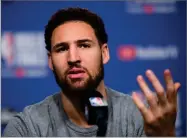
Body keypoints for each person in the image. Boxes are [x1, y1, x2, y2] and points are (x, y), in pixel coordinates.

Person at [3, 7, 181, 137]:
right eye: (62, 48)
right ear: (50, 60)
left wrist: (165, 136)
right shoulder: (26, 128)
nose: (73, 57)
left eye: (84, 45)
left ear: (104, 53)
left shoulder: (140, 118)